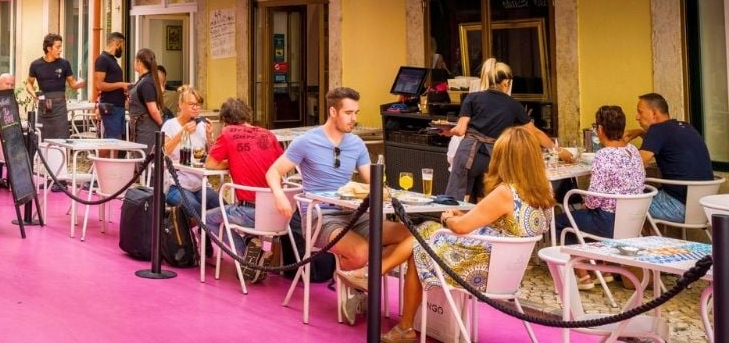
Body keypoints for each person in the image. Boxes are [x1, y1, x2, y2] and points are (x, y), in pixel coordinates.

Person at [376, 126, 554, 343]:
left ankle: (387, 296)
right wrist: (463, 217)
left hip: (483, 272)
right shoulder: (544, 193)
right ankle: (375, 275)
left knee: (423, 240)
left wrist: (448, 218)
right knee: (425, 235)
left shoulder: (506, 192)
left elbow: (460, 228)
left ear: (504, 158)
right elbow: (504, 224)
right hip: (509, 273)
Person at [266, 87, 411, 325]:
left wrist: (391, 193)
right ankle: (357, 280)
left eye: (356, 112)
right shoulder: (306, 141)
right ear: (333, 112)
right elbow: (273, 171)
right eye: (349, 113)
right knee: (363, 250)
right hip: (320, 216)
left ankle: (361, 277)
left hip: (354, 214)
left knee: (410, 235)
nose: (354, 118)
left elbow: (372, 181)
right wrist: (280, 196)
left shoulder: (356, 144)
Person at [443, 58, 562, 201]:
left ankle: (456, 222)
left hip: (468, 154)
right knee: (486, 203)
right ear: (506, 82)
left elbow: (460, 130)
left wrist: (446, 131)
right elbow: (535, 132)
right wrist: (557, 150)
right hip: (494, 158)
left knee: (458, 202)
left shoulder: (472, 98)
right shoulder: (513, 105)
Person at [555, 105, 645, 290]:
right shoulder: (633, 151)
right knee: (581, 217)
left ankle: (582, 275)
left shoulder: (603, 155)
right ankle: (603, 270)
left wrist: (586, 205)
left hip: (608, 222)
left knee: (561, 222)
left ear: (600, 129)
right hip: (632, 223)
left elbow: (594, 199)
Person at [205, 97, 284, 271]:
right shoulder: (268, 134)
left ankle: (246, 256)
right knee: (236, 209)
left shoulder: (228, 133)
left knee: (206, 219)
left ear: (225, 119)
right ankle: (255, 253)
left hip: (249, 212)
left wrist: (231, 162)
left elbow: (210, 164)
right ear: (247, 115)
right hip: (278, 213)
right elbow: (281, 166)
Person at [624, 92, 714, 223]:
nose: (637, 117)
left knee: (625, 204)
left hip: (678, 207)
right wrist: (641, 133)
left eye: (640, 112)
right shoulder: (685, 127)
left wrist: (612, 149)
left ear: (654, 113)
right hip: (703, 207)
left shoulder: (657, 130)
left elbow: (636, 163)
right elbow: (664, 143)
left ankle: (637, 242)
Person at [161, 85, 217, 208]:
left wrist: (209, 137)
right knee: (194, 208)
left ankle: (207, 227)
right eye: (192, 104)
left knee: (222, 206)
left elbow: (212, 157)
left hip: (200, 183)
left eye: (198, 104)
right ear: (181, 105)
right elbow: (163, 152)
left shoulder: (201, 126)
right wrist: (182, 133)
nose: (196, 108)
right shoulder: (170, 125)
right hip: (176, 183)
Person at [25, 33, 84, 142]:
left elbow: (73, 84)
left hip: (60, 106)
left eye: (61, 46)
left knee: (61, 137)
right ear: (49, 48)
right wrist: (33, 93)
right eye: (58, 47)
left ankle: (61, 159)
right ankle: (44, 159)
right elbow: (29, 83)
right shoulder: (35, 64)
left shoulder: (65, 64)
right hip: (44, 106)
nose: (60, 50)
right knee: (42, 138)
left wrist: (80, 83)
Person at [93, 32, 130, 140]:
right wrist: (121, 85)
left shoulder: (112, 60)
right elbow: (99, 85)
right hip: (110, 106)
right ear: (117, 43)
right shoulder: (102, 59)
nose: (123, 49)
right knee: (112, 139)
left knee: (117, 139)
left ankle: (114, 157)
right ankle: (105, 157)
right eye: (122, 45)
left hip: (118, 106)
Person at [127, 48, 164, 147]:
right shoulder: (143, 81)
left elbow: (153, 110)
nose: (133, 62)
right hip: (139, 128)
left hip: (146, 130)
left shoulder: (146, 83)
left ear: (139, 62)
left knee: (145, 160)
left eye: (135, 60)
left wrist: (162, 125)